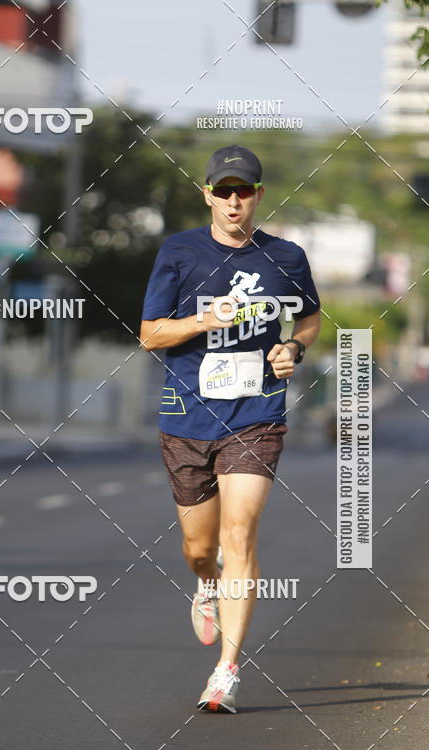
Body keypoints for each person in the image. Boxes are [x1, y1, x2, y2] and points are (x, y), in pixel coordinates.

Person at [140, 145, 321, 713]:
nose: (234, 200)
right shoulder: (179, 252)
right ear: (208, 194)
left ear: (259, 196)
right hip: (188, 417)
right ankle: (206, 582)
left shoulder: (286, 257)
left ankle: (227, 670)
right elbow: (149, 334)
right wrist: (202, 320)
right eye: (224, 190)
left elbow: (310, 317)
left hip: (256, 416)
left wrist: (292, 346)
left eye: (244, 191)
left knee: (240, 533)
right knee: (201, 548)